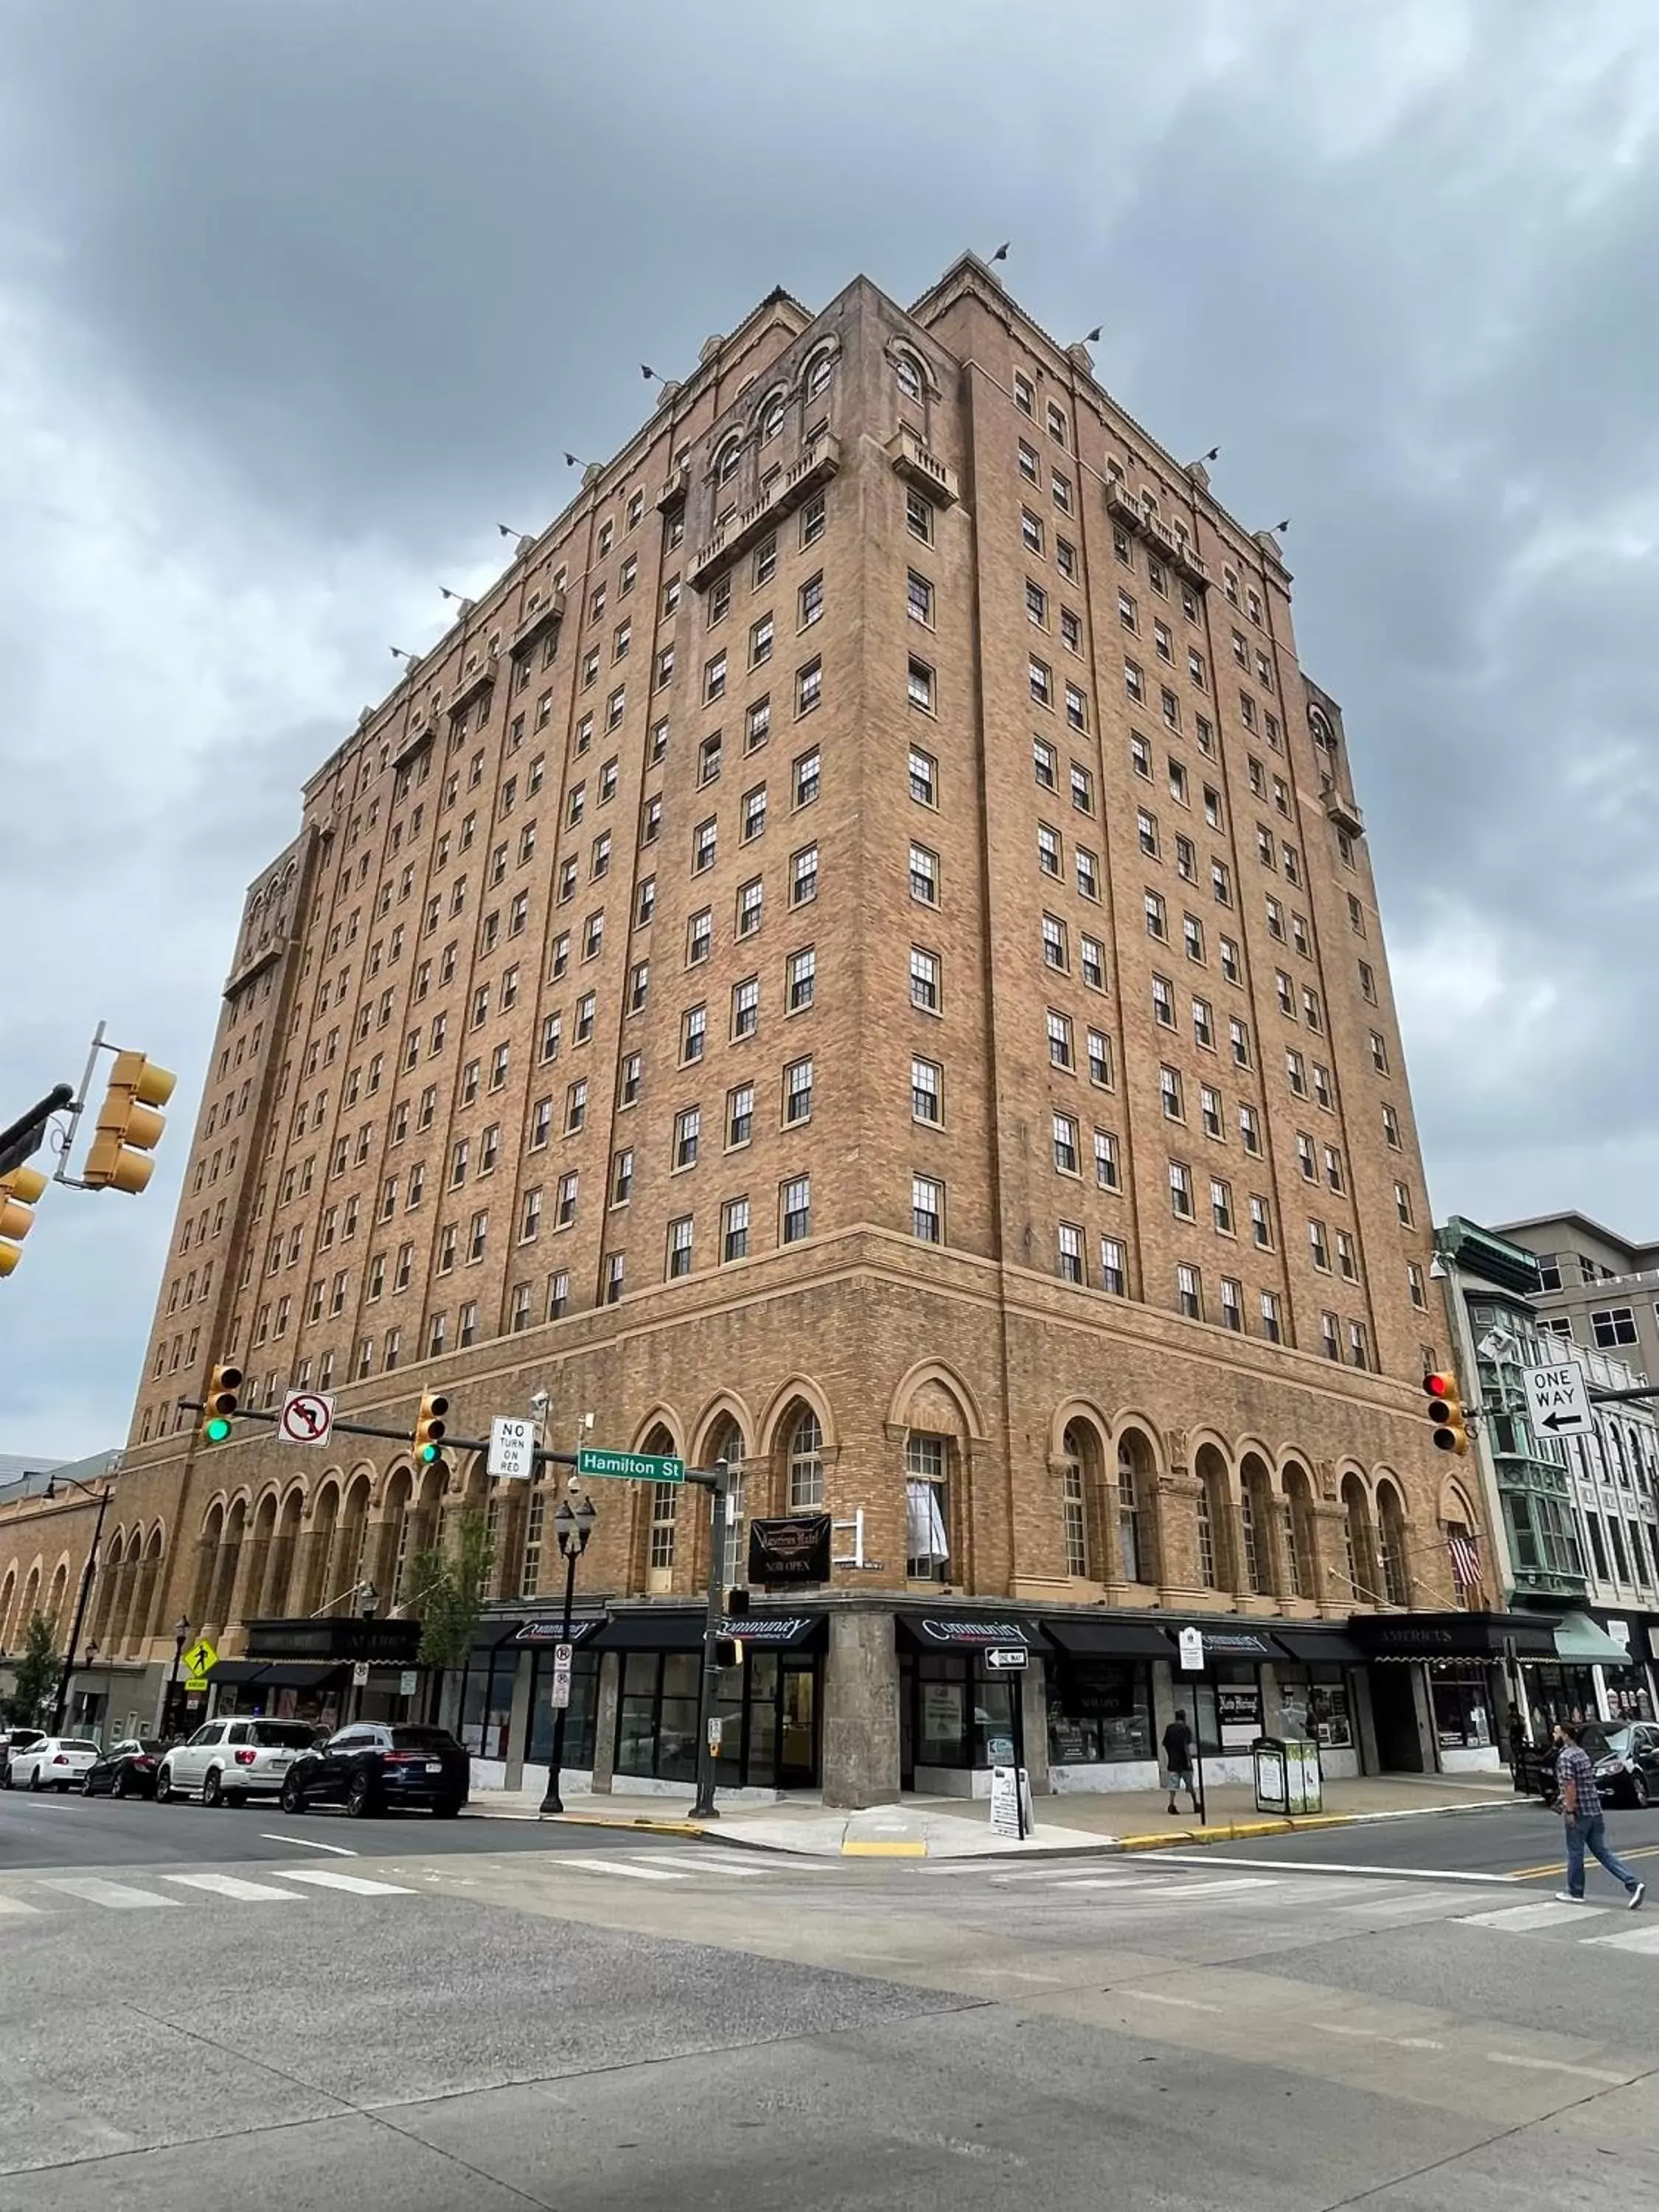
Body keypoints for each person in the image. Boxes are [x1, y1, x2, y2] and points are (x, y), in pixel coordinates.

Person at [1554, 1719, 1645, 1908]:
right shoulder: (1582, 1754)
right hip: (1595, 1810)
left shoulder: (1566, 1757)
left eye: (1556, 1733)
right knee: (1602, 1852)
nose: (1553, 1736)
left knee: (1575, 1852)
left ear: (1566, 1735)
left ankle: (1575, 1892)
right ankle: (1633, 1884)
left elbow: (1570, 1785)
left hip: (1580, 1812)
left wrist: (1570, 1810)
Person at [1163, 1708, 1198, 1818]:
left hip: (1173, 1761)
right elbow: (1186, 1746)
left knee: (1173, 1785)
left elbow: (1165, 1744)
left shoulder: (1170, 1728)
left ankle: (1171, 1804)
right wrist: (1189, 1761)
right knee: (1189, 1784)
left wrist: (1170, 1756)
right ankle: (1195, 1803)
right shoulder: (1185, 1729)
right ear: (1184, 1717)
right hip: (1184, 1762)